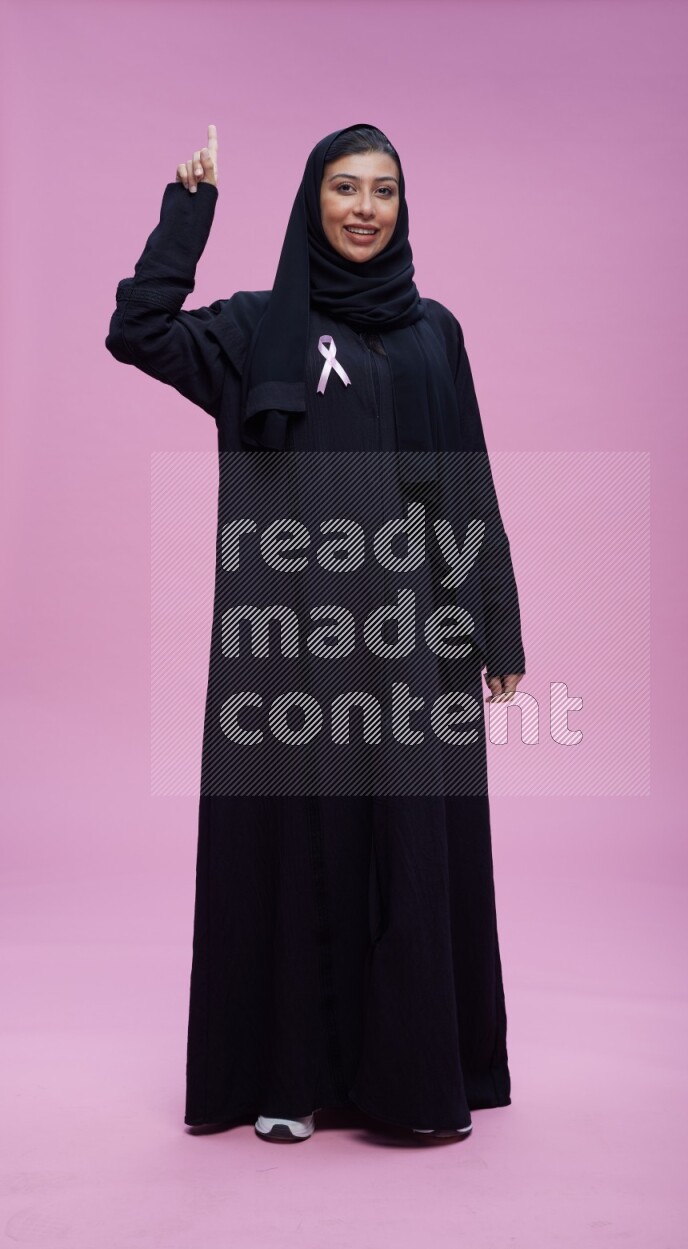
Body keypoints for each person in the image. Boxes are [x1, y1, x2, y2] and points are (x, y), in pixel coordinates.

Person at [105, 122, 526, 1144]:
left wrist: (495, 624)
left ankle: (413, 1085)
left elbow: (464, 482)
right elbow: (139, 331)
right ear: (312, 201)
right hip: (294, 643)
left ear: (402, 207)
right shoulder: (260, 329)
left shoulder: (433, 332)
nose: (364, 208)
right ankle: (287, 1076)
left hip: (415, 641)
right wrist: (186, 215)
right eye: (344, 188)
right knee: (299, 845)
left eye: (383, 190)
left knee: (410, 851)